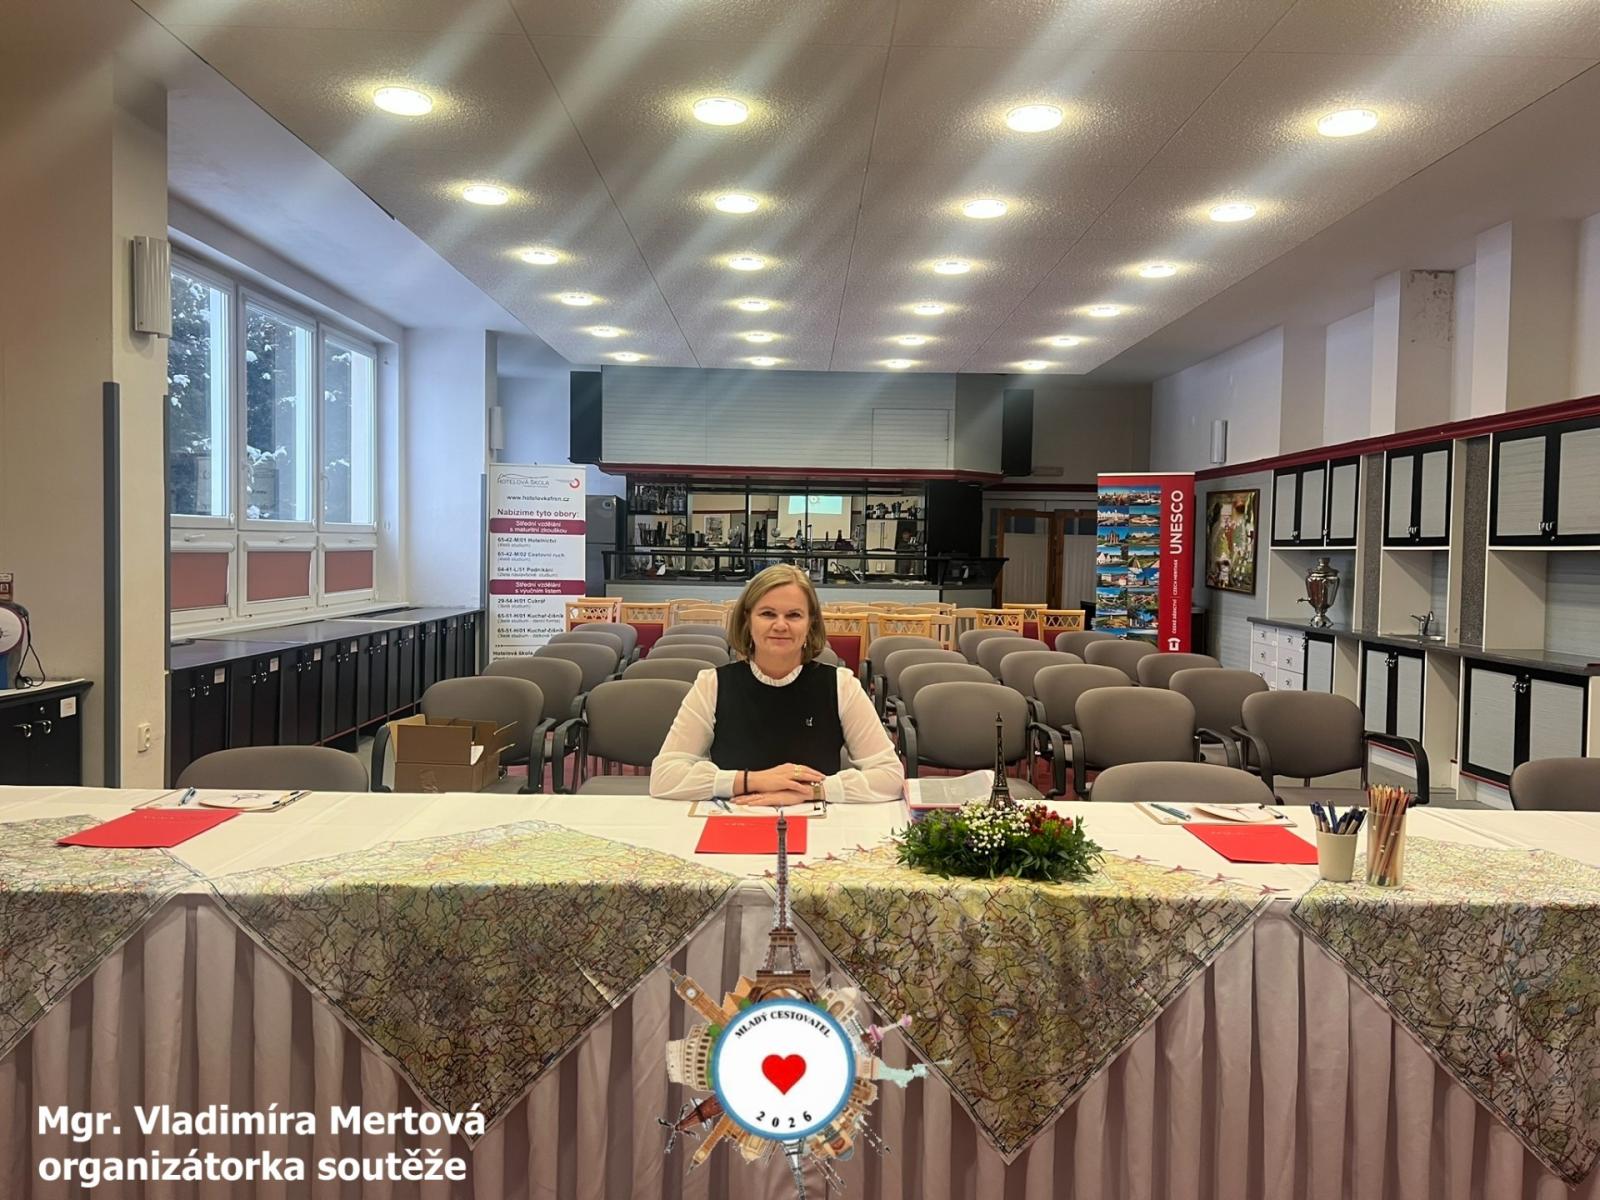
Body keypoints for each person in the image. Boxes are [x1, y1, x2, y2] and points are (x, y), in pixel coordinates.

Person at [649, 564, 904, 805]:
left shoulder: (842, 685)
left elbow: (890, 775)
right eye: (767, 614)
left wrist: (811, 791)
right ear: (747, 621)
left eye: (794, 615)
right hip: (734, 818)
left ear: (810, 623)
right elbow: (664, 777)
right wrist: (753, 781)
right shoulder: (711, 685)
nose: (780, 625)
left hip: (816, 822)